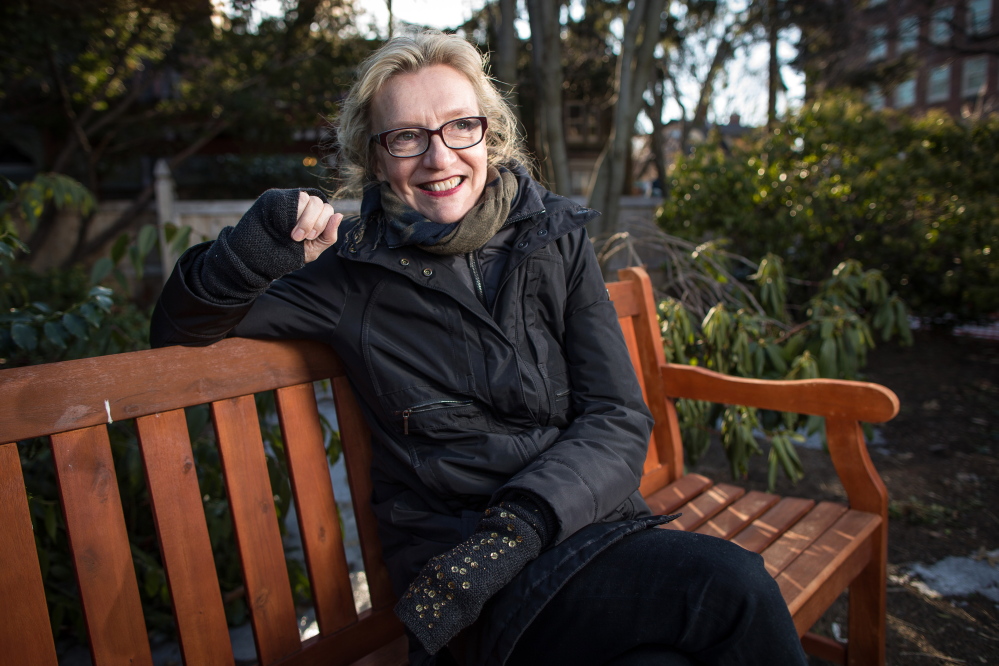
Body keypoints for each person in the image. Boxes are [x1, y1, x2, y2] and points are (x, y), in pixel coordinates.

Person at [150, 30, 807, 666]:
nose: (439, 158)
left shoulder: (551, 237)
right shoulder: (349, 272)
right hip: (459, 582)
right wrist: (253, 245)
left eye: (460, 127)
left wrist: (521, 526)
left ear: (487, 133)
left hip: (576, 529)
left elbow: (617, 415)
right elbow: (179, 331)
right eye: (407, 137)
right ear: (375, 157)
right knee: (733, 588)